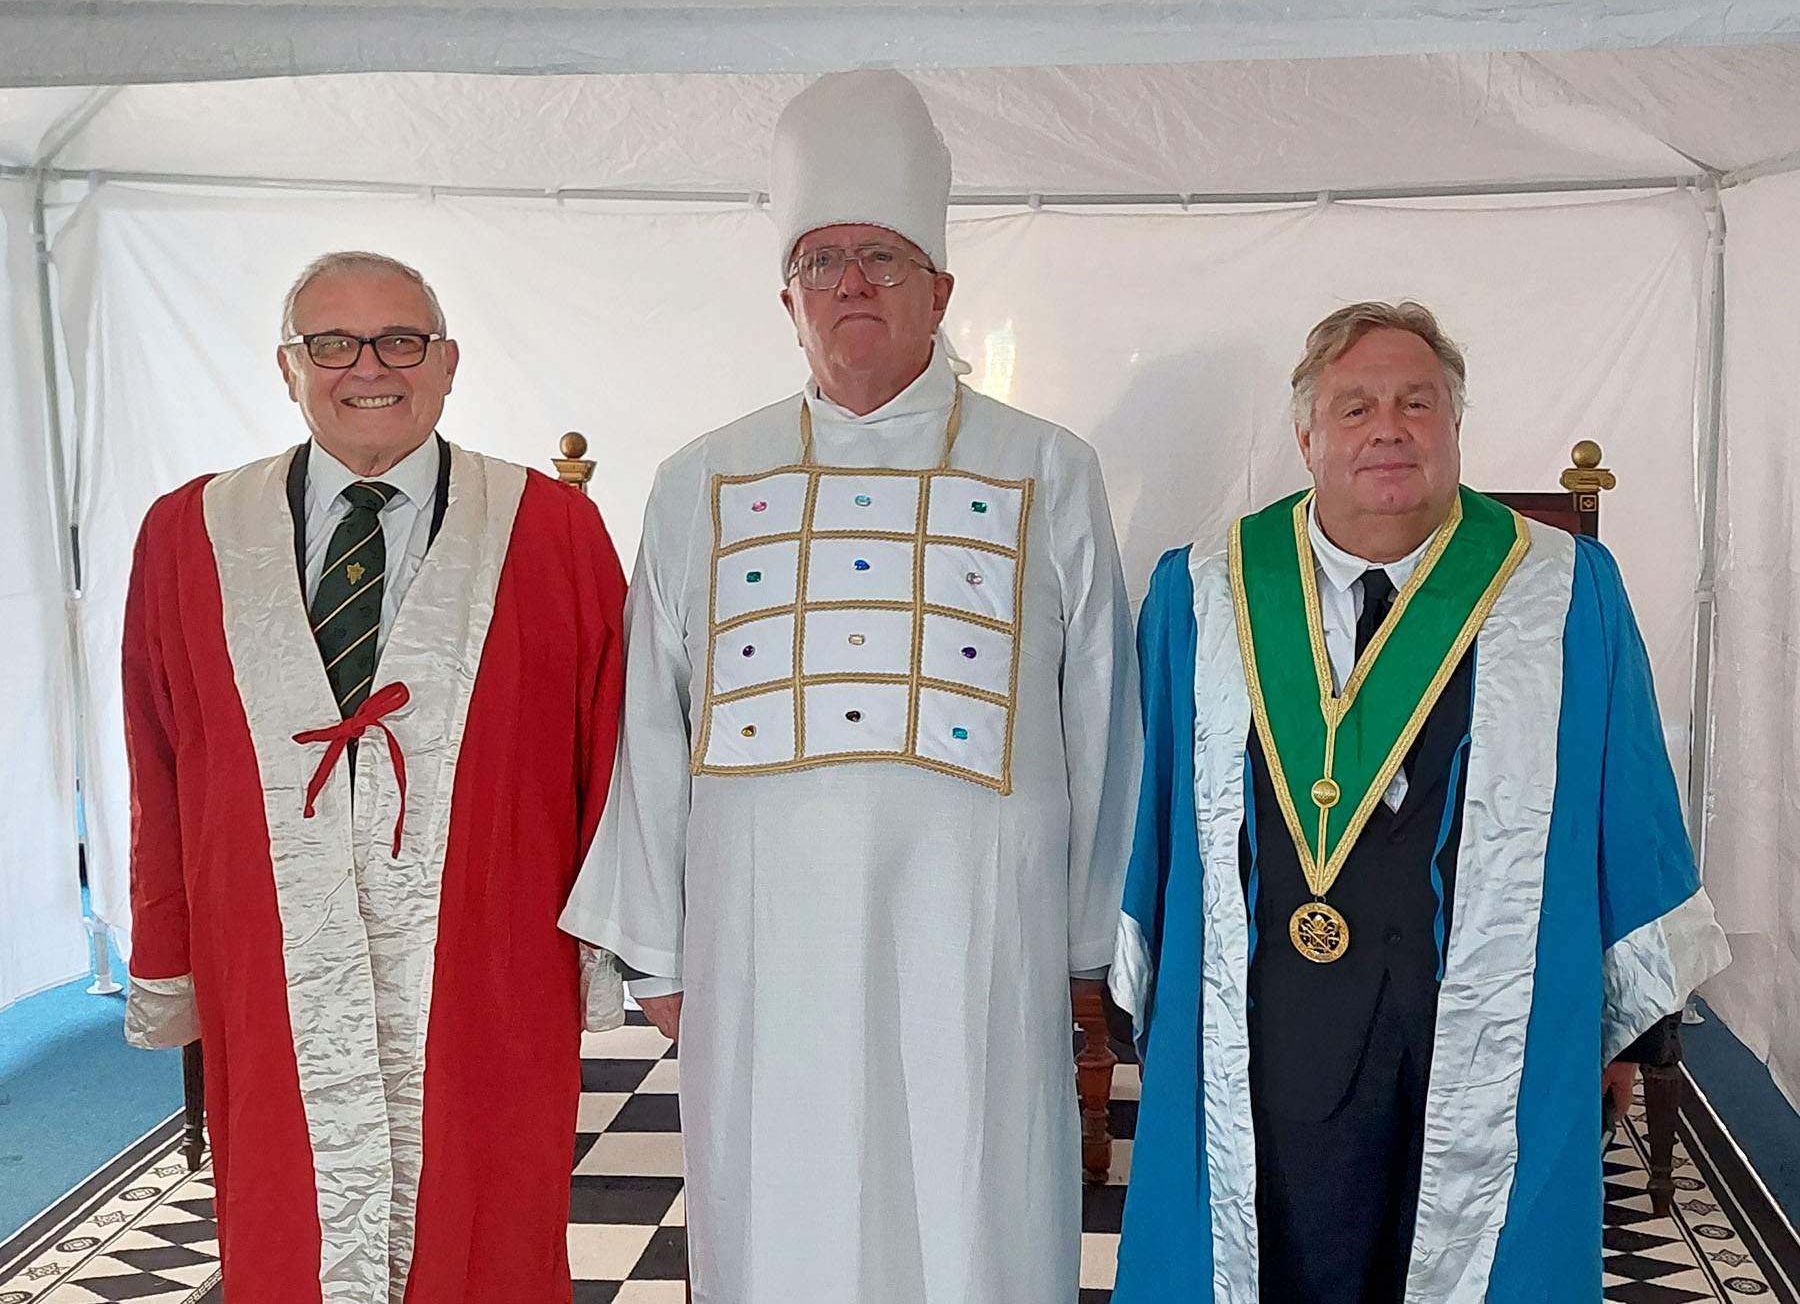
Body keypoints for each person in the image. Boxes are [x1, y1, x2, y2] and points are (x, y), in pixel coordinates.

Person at [560, 70, 1141, 1304]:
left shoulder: (1050, 467)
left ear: (940, 285)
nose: (854, 284)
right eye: (824, 260)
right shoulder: (698, 479)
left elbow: (1101, 713)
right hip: (765, 934)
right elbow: (650, 730)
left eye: (883, 256)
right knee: (783, 1205)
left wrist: (1094, 940)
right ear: (788, 296)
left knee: (976, 1193)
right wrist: (658, 949)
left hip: (985, 925)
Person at [1111, 301, 1730, 1303]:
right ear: (1307, 435)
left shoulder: (1565, 591)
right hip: (1266, 1021)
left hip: (1480, 1018)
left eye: (1416, 402)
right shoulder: (1202, 592)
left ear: (1454, 426)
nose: (1387, 426)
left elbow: (1632, 805)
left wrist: (1632, 1032)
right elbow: (1158, 823)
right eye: (1355, 406)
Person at [122, 251, 628, 1303]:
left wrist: (613, 944)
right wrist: (169, 946)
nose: (369, 367)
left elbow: (612, 756)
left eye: (401, 339)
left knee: (489, 1219)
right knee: (287, 1219)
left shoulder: (552, 528)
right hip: (269, 957)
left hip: (492, 960)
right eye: (332, 343)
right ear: (287, 365)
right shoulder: (188, 533)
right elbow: (157, 758)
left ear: (447, 363)